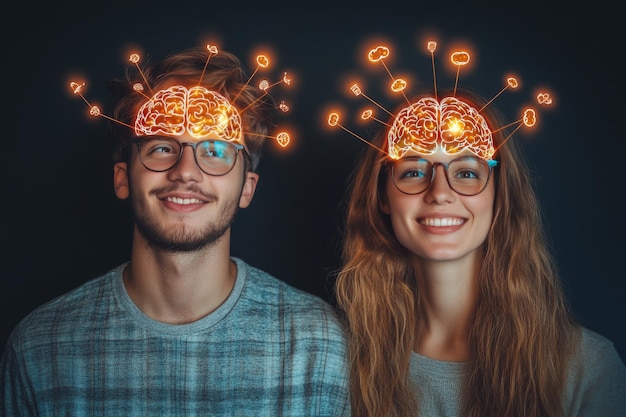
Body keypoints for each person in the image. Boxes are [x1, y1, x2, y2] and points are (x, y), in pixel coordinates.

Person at [2, 45, 350, 416]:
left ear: (247, 187)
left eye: (215, 150)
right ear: (122, 178)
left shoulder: (318, 345)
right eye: (162, 146)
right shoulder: (40, 348)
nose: (185, 171)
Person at [331, 57, 626, 414]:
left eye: (467, 172)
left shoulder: (585, 370)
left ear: (500, 196)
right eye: (412, 171)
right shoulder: (341, 363)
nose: (440, 192)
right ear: (382, 198)